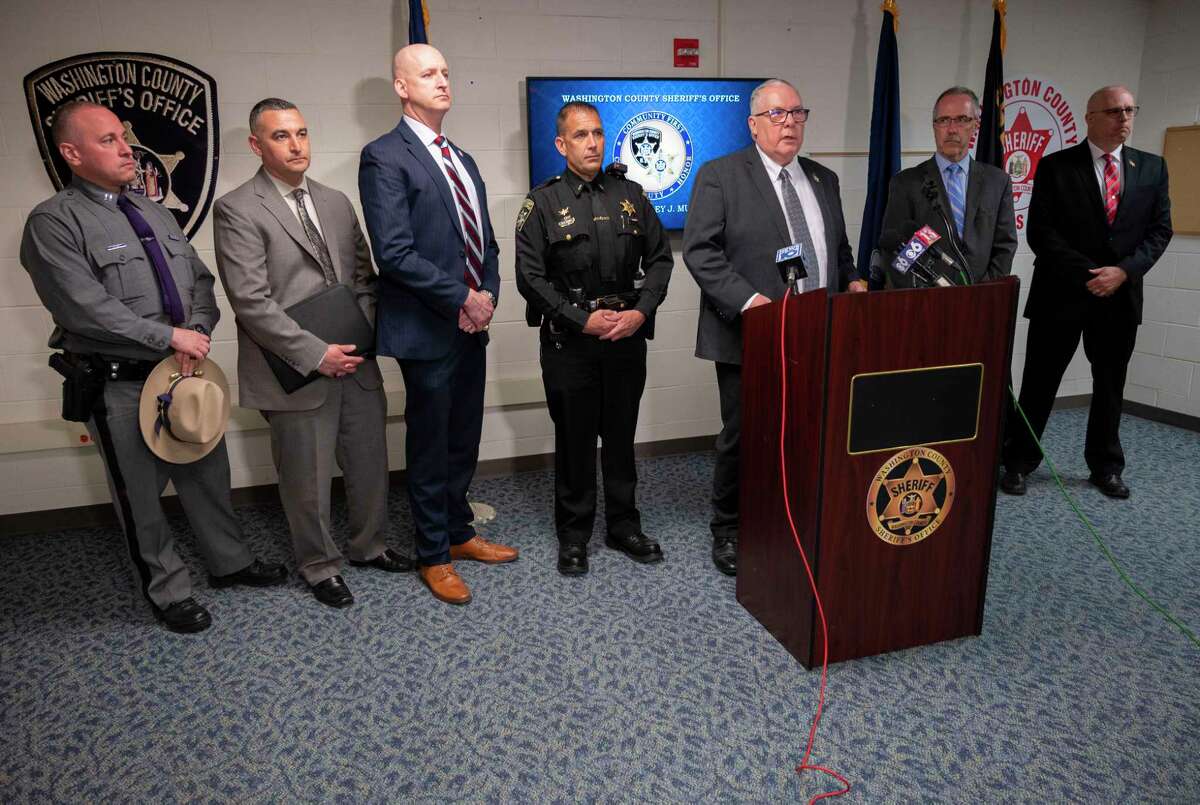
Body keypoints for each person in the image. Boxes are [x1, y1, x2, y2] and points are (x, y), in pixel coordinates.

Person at [19, 101, 286, 633]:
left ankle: (229, 564)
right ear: (71, 153)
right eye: (108, 141)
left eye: (124, 137)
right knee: (140, 497)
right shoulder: (54, 221)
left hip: (183, 374)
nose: (126, 149)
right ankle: (168, 590)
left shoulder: (155, 212)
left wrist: (200, 331)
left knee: (208, 474)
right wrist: (167, 335)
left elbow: (201, 284)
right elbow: (82, 306)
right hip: (118, 384)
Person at [213, 99, 412, 610]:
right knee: (307, 479)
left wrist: (359, 337)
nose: (297, 144)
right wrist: (317, 352)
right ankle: (320, 565)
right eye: (282, 136)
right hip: (294, 370)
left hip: (355, 363)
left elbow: (364, 277)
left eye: (302, 132)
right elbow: (250, 301)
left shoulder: (336, 200)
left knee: (370, 463)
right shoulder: (237, 208)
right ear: (257, 145)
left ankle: (369, 546)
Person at [683, 78, 866, 576]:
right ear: (754, 124)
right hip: (751, 333)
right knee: (745, 434)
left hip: (819, 332)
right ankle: (729, 529)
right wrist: (751, 301)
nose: (789, 123)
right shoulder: (721, 175)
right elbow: (701, 252)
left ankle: (796, 517)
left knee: (811, 429)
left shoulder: (823, 178)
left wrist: (853, 282)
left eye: (797, 114)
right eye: (778, 114)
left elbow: (839, 252)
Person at [358, 44, 517, 605]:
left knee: (462, 440)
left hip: (471, 323)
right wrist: (462, 298)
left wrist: (488, 295)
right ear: (401, 86)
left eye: (447, 72)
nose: (443, 81)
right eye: (428, 74)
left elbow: (487, 242)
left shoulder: (463, 158)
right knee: (430, 444)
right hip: (426, 327)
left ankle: (458, 532)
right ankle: (433, 554)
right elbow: (395, 252)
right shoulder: (384, 156)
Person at [514, 102, 674, 576]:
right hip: (571, 344)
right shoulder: (542, 203)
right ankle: (575, 533)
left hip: (625, 338)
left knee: (622, 438)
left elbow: (661, 261)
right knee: (576, 441)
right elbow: (529, 277)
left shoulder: (632, 194)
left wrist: (642, 311)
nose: (592, 143)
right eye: (581, 135)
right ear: (561, 144)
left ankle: (624, 526)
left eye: (599, 134)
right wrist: (579, 320)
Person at [1000, 85, 1172, 499]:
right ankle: (1019, 461)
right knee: (1039, 382)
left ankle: (1105, 466)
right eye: (1114, 111)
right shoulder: (1057, 166)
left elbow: (1159, 231)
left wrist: (1123, 273)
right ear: (1090, 117)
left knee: (1111, 385)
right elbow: (1042, 232)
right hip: (1061, 294)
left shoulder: (1152, 167)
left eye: (1130, 110)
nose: (1124, 119)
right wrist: (1091, 273)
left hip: (1120, 298)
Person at [879, 86, 1017, 286]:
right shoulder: (906, 183)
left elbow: (1005, 246)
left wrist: (982, 293)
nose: (951, 129)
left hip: (982, 302)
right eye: (943, 120)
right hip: (926, 305)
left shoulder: (998, 182)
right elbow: (897, 255)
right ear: (934, 126)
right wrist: (925, 296)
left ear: (975, 125)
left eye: (962, 119)